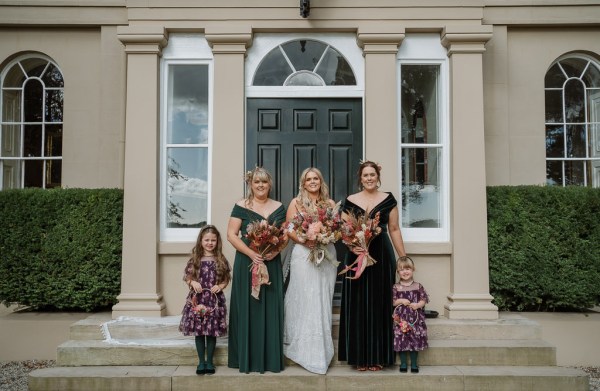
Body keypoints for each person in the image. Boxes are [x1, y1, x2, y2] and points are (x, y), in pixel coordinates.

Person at [338, 160, 408, 371]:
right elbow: (344, 230)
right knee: (357, 304)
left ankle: (378, 355)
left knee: (380, 303)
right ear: (360, 178)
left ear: (378, 177)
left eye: (372, 175)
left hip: (381, 255)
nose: (369, 178)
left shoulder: (388, 200)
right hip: (356, 255)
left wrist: (403, 257)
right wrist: (354, 247)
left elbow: (394, 229)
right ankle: (359, 357)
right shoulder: (350, 200)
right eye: (365, 175)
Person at [227, 166, 287, 373]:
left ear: (270, 184)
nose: (260, 185)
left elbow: (285, 236)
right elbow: (232, 235)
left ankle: (270, 359)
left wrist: (275, 251)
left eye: (264, 182)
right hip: (247, 262)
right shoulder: (241, 205)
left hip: (270, 263)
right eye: (256, 182)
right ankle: (245, 358)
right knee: (248, 307)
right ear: (250, 185)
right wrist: (251, 254)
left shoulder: (280, 207)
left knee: (270, 309)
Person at [283, 167, 338, 374]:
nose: (313, 182)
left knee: (322, 298)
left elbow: (337, 230)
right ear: (303, 183)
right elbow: (288, 228)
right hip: (303, 255)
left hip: (326, 254)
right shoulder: (295, 203)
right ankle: (300, 347)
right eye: (309, 179)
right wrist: (305, 240)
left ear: (320, 181)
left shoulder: (330, 204)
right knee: (304, 297)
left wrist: (326, 237)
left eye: (316, 178)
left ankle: (321, 350)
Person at [178, 225, 231, 375]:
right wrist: (193, 282)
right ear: (201, 241)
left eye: (213, 240)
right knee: (200, 332)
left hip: (213, 301)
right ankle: (201, 362)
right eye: (206, 239)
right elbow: (187, 277)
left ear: (217, 242)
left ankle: (210, 362)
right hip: (198, 301)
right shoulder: (195, 259)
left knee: (211, 332)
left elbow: (226, 279)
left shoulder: (221, 260)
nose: (210, 243)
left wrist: (220, 286)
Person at [392, 256, 429, 373]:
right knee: (401, 339)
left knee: (414, 340)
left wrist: (418, 305)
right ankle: (403, 363)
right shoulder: (396, 287)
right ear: (398, 271)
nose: (405, 272)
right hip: (401, 319)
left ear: (413, 270)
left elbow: (424, 299)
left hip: (415, 320)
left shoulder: (418, 286)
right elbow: (393, 302)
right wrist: (401, 300)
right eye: (402, 269)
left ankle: (414, 364)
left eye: (407, 269)